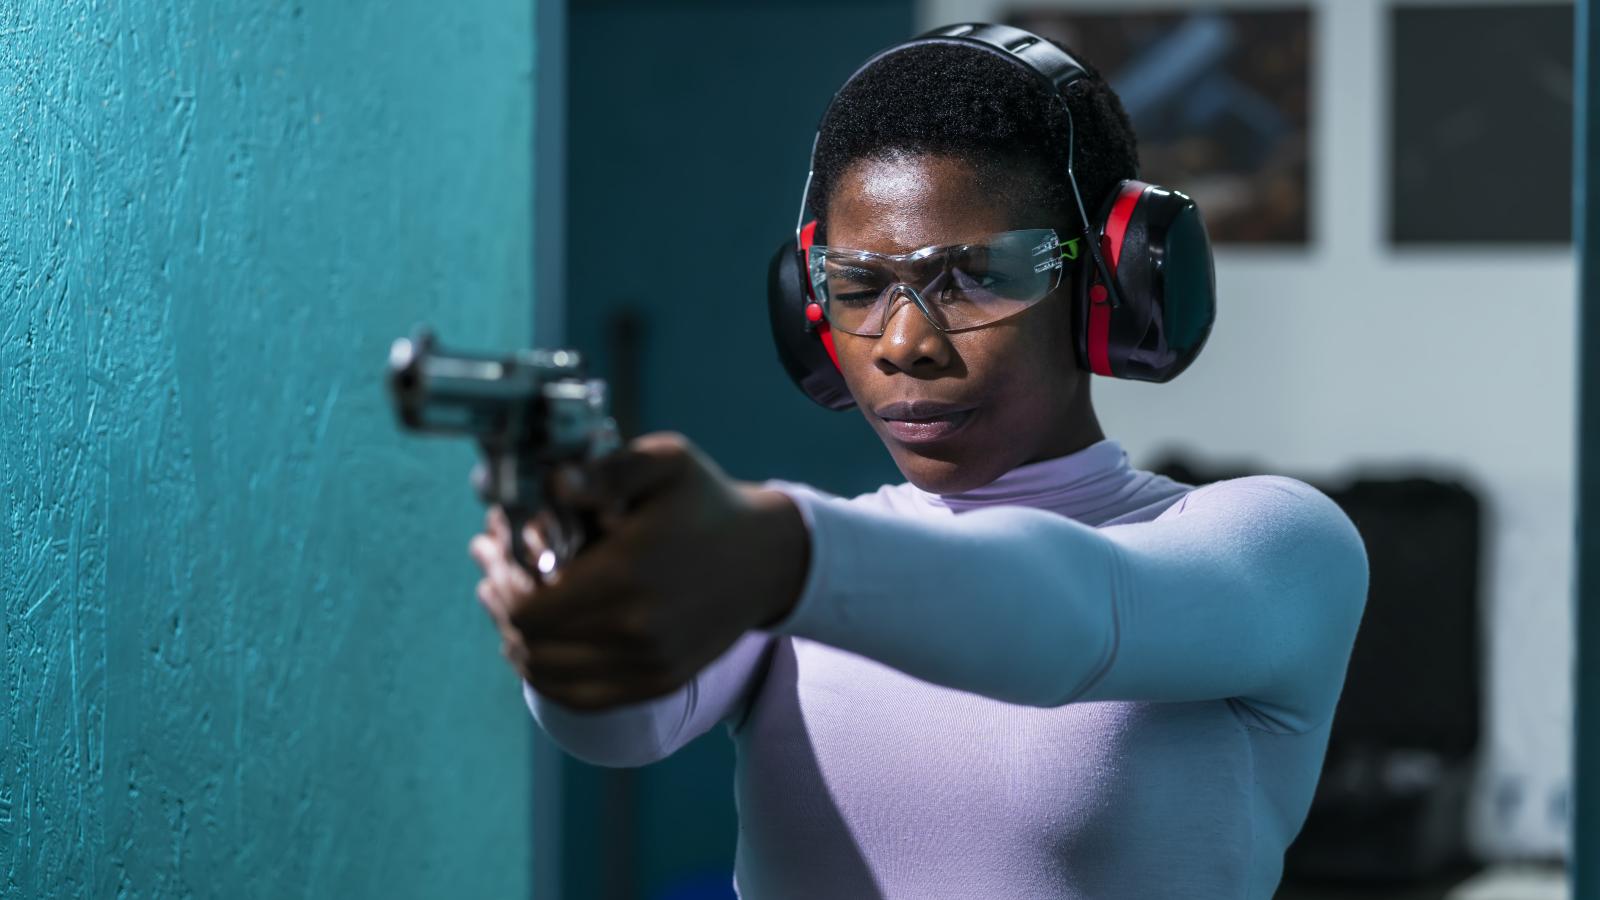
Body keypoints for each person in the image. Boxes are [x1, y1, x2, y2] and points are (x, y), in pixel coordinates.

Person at [468, 25, 1367, 899]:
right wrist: (564, 611)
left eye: (977, 276)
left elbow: (1077, 620)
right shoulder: (799, 568)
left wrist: (778, 552)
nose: (904, 343)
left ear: (1110, 286)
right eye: (857, 287)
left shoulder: (1276, 549)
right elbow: (621, 730)